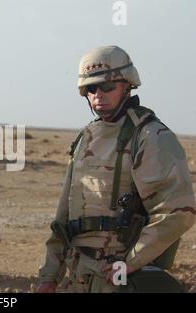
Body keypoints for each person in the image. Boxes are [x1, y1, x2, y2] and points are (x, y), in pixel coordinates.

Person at [37, 45, 195, 293]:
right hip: (79, 276)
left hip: (120, 276)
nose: (98, 93)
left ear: (127, 85)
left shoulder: (150, 136)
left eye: (107, 86)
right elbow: (63, 218)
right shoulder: (85, 137)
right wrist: (49, 276)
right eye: (91, 88)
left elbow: (178, 211)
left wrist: (130, 262)